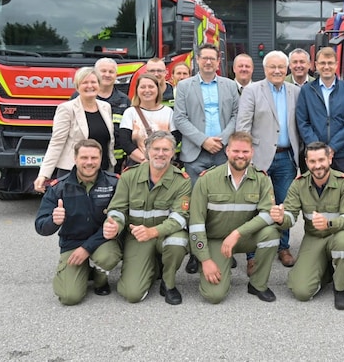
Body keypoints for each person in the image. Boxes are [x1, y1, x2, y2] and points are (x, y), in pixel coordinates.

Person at [187, 131, 284, 303]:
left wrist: (237, 234)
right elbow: (196, 224)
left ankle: (258, 284)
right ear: (227, 151)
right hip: (216, 240)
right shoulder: (207, 180)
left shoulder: (262, 179)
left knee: (271, 234)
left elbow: (268, 215)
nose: (241, 155)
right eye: (236, 151)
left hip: (245, 237)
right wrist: (205, 259)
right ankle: (219, 267)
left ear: (252, 152)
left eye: (245, 152)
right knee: (214, 296)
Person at [105, 131, 191, 305]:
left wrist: (153, 231)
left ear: (173, 153)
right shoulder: (129, 176)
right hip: (137, 237)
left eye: (166, 150)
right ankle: (153, 266)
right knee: (132, 294)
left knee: (178, 242)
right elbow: (117, 208)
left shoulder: (182, 181)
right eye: (156, 149)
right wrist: (115, 224)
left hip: (163, 235)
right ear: (147, 151)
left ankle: (168, 283)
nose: (160, 154)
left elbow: (180, 218)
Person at [35, 139, 121, 305]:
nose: (89, 162)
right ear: (75, 158)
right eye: (84, 158)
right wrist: (53, 221)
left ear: (101, 158)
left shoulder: (114, 183)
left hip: (103, 241)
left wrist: (86, 249)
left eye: (94, 158)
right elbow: (40, 226)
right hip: (72, 244)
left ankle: (100, 280)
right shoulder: (59, 187)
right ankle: (84, 270)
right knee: (69, 297)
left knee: (108, 256)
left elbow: (116, 221)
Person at [237, 50, 301, 269]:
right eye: (272, 67)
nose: (277, 71)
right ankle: (252, 255)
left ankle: (283, 247)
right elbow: (243, 126)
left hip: (286, 158)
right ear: (265, 70)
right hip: (259, 158)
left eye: (281, 67)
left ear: (287, 69)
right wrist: (244, 157)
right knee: (255, 207)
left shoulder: (295, 91)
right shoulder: (252, 91)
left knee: (284, 205)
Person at [285, 142, 344, 310]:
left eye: (321, 160)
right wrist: (281, 217)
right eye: (312, 161)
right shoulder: (299, 184)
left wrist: (329, 224)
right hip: (314, 237)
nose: (317, 166)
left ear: (330, 158)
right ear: (306, 162)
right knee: (301, 292)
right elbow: (290, 215)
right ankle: (325, 271)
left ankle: (340, 288)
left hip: (339, 234)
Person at [34, 67, 116, 193]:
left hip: (102, 170)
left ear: (99, 85)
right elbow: (56, 142)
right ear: (77, 87)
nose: (90, 86)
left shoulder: (106, 107)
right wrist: (43, 175)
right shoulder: (66, 109)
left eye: (93, 82)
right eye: (85, 82)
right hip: (72, 172)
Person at [173, 43, 240, 186]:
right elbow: (179, 118)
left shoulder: (231, 85)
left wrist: (222, 140)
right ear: (197, 59)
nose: (208, 62)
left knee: (222, 197)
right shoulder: (184, 86)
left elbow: (236, 115)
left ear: (218, 61)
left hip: (223, 152)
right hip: (194, 153)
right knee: (196, 199)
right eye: (204, 58)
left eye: (212, 58)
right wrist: (203, 141)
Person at [296, 46, 344, 176]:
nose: (326, 67)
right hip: (315, 155)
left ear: (336, 65)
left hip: (342, 154)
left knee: (343, 191)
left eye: (330, 63)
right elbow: (302, 122)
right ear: (316, 65)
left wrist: (333, 147)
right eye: (323, 63)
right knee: (315, 193)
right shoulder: (306, 91)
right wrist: (318, 148)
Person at [70, 57, 131, 172]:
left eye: (111, 72)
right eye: (103, 71)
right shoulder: (78, 98)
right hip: (83, 161)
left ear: (116, 75)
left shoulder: (124, 100)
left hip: (113, 162)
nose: (107, 75)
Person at [119, 74, 180, 168]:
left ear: (157, 90)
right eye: (142, 87)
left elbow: (175, 139)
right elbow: (125, 142)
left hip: (163, 165)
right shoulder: (130, 112)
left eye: (151, 87)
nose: (147, 90)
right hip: (138, 165)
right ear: (137, 90)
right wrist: (145, 160)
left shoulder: (168, 112)